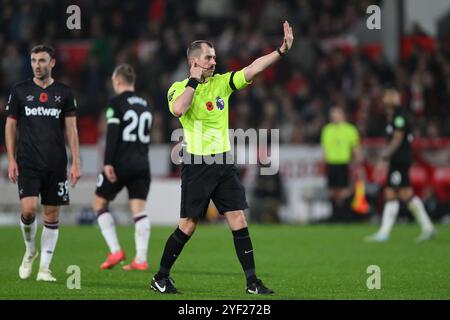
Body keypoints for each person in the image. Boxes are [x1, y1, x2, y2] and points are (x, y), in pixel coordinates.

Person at [150, 21, 294, 295]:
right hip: (197, 165)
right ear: (194, 61)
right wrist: (193, 80)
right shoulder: (178, 88)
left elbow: (252, 68)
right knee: (188, 226)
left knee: (238, 218)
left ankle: (252, 282)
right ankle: (160, 277)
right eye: (208, 57)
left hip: (223, 164)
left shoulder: (222, 84)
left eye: (215, 57)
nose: (214, 61)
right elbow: (179, 109)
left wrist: (280, 51)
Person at [5, 44, 81, 282]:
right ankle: (30, 251)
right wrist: (11, 159)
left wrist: (76, 162)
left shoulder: (65, 93)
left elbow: (71, 129)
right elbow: (10, 125)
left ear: (52, 63)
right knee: (28, 211)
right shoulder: (20, 91)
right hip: (28, 161)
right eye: (34, 61)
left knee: (51, 215)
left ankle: (45, 268)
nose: (37, 65)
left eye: (42, 61)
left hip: (56, 163)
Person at [92, 64, 152, 271]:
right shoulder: (145, 104)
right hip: (142, 164)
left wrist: (108, 162)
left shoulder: (115, 103)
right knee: (139, 212)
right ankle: (141, 259)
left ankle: (116, 250)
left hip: (120, 164)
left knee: (99, 204)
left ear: (117, 81)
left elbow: (112, 133)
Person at [365, 87, 436, 242]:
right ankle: (428, 227)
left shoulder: (399, 116)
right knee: (404, 194)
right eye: (389, 95)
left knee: (393, 193)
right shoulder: (393, 116)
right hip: (399, 160)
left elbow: (397, 139)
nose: (392, 97)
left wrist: (384, 158)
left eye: (394, 95)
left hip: (399, 160)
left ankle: (384, 233)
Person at [320, 106, 362, 222]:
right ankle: (335, 215)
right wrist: (323, 163)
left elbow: (355, 148)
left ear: (343, 115)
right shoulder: (327, 130)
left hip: (344, 163)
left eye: (337, 114)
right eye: (332, 115)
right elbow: (324, 149)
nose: (334, 117)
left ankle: (345, 214)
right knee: (332, 190)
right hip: (331, 163)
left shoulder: (350, 129)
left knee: (344, 190)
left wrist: (358, 162)